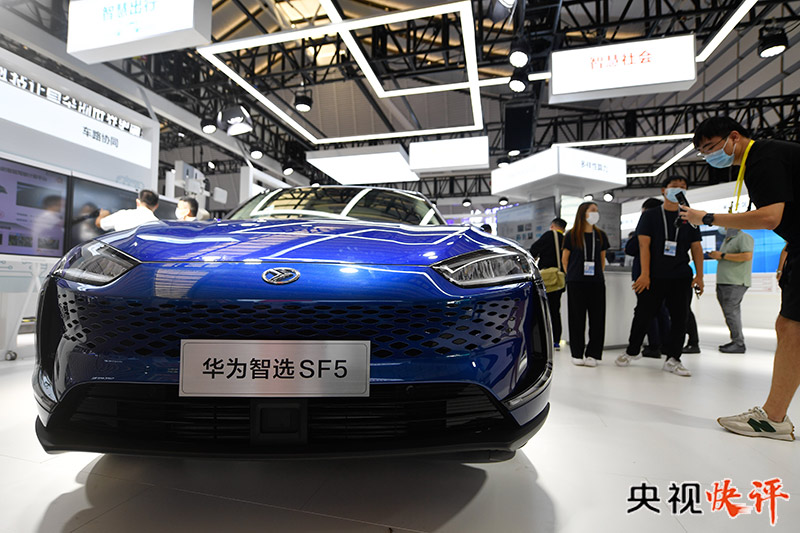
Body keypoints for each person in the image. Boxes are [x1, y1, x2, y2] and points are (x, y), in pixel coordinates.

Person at [681, 116, 799, 440]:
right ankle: (774, 415)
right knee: (789, 326)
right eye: (703, 152)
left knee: (791, 327)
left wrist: (707, 217)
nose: (709, 156)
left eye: (711, 147)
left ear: (734, 136)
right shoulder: (765, 158)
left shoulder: (763, 157)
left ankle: (773, 418)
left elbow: (769, 217)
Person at [616, 176, 704, 377]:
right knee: (643, 314)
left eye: (683, 187)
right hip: (654, 276)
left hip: (680, 276)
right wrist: (645, 274)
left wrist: (699, 275)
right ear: (664, 190)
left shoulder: (691, 216)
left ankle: (673, 358)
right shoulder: (651, 215)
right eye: (674, 186)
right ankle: (632, 351)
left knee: (680, 318)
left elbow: (696, 247)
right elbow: (643, 245)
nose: (678, 189)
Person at [562, 203, 609, 367]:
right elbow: (565, 259)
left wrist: (597, 274)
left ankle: (593, 354)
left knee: (597, 319)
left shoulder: (601, 235)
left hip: (596, 282)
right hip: (576, 282)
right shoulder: (571, 235)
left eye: (597, 210)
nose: (596, 213)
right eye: (592, 210)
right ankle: (577, 353)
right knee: (576, 318)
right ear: (583, 213)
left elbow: (602, 260)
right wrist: (571, 275)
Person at [626, 198, 670, 358]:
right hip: (663, 275)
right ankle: (665, 345)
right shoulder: (667, 228)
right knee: (662, 311)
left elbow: (630, 249)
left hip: (643, 276)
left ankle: (653, 346)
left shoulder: (645, 228)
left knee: (646, 312)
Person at [709, 228, 754, 353]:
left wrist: (722, 255)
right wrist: (718, 256)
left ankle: (738, 343)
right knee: (730, 313)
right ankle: (736, 340)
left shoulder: (744, 237)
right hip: (724, 281)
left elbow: (747, 256)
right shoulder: (727, 240)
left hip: (735, 281)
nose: (723, 227)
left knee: (731, 312)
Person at [530, 218, 567, 350]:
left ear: (552, 226)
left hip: (547, 278)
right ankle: (556, 340)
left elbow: (533, 250)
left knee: (543, 310)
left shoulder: (549, 235)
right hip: (560, 278)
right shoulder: (566, 239)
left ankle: (545, 340)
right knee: (556, 310)